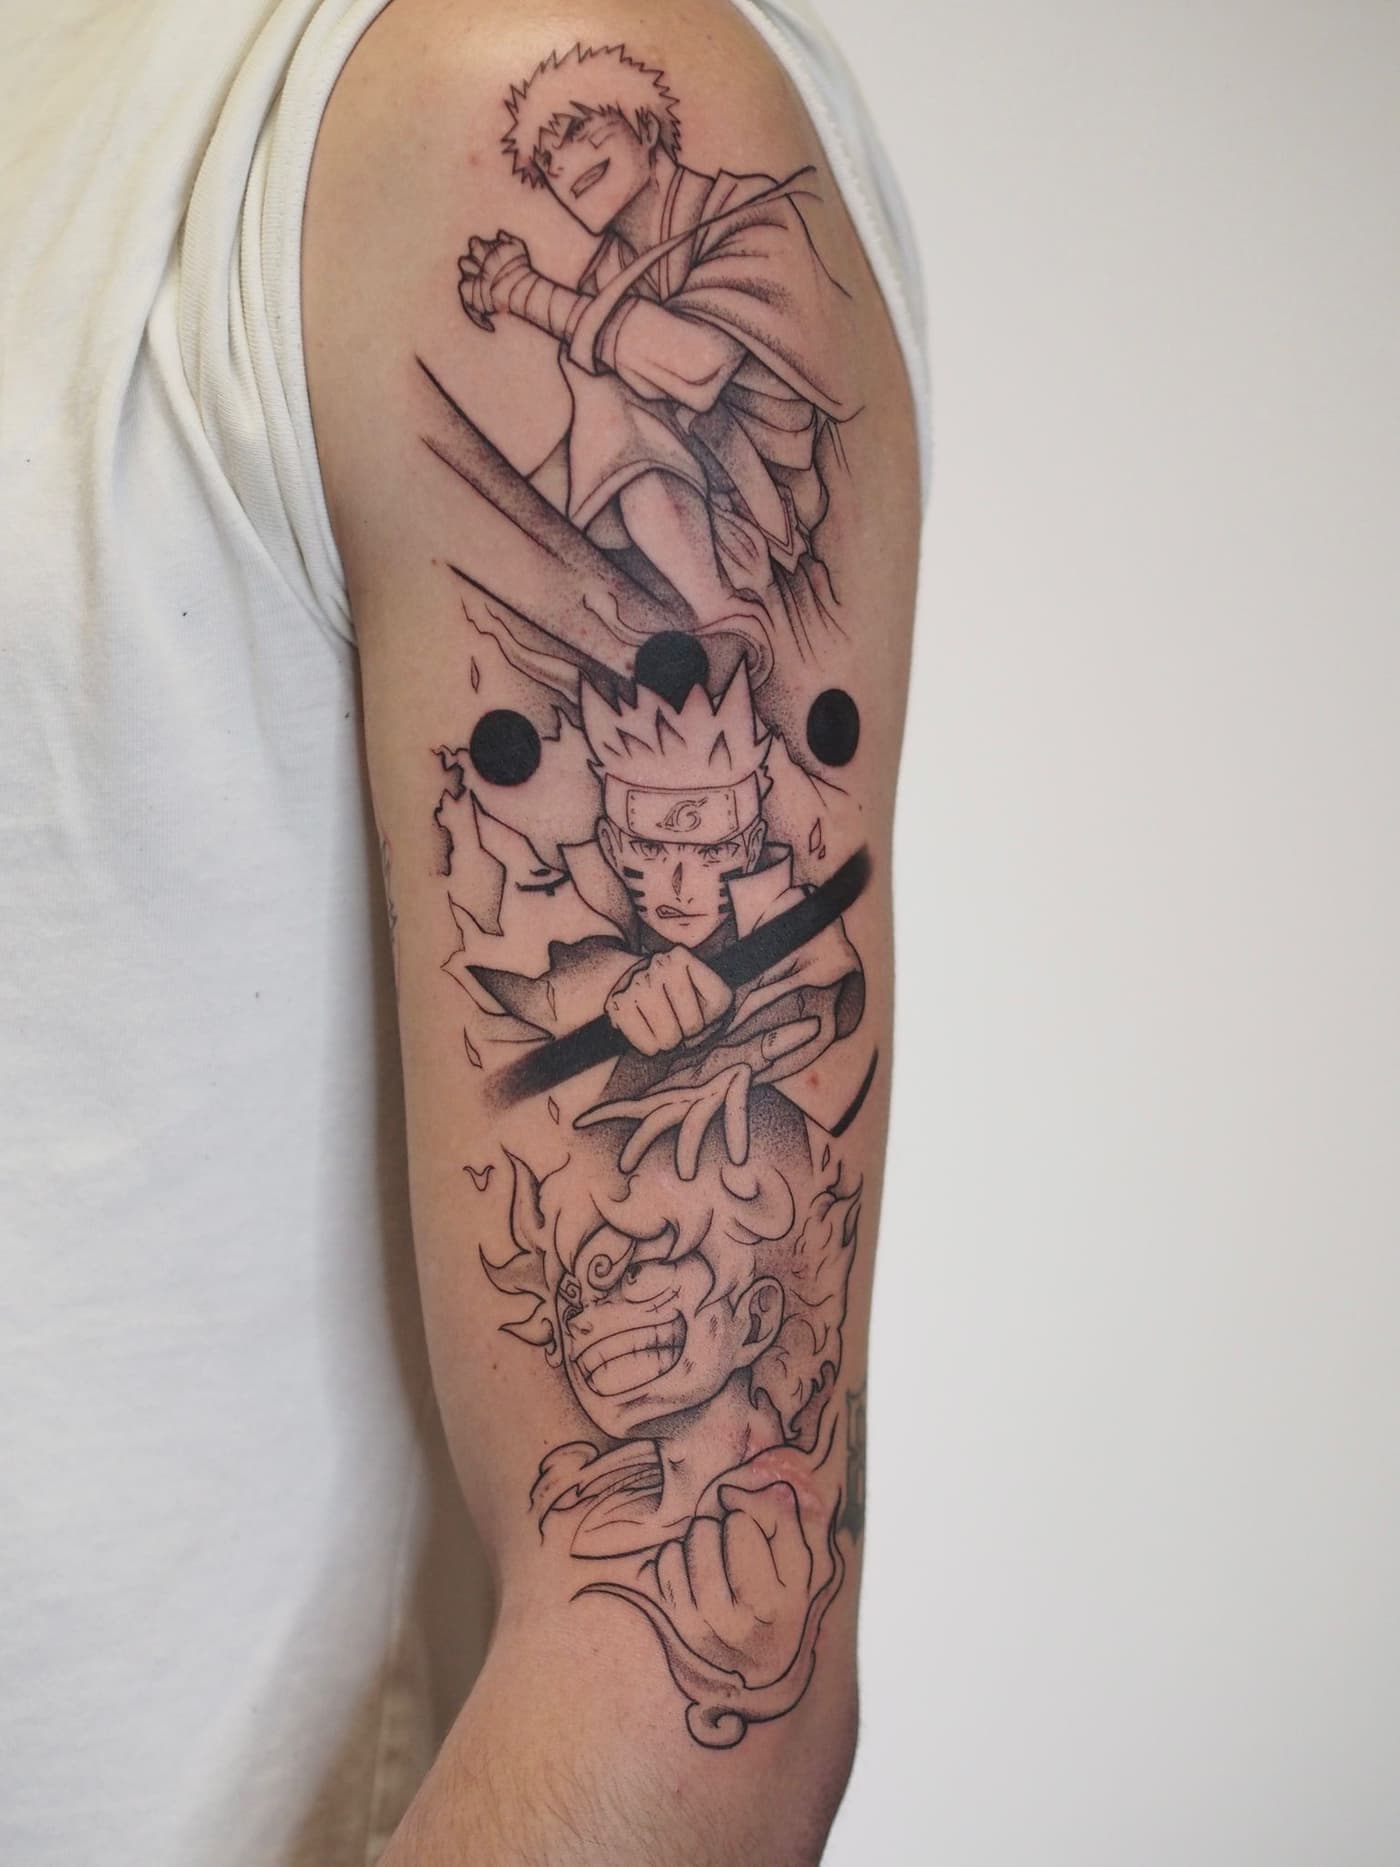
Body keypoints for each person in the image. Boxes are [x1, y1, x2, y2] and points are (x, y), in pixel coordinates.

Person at [0, 0, 928, 1861]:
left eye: (598, 156)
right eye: (563, 163)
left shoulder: (455, 74)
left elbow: (684, 1712)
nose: (577, 176)